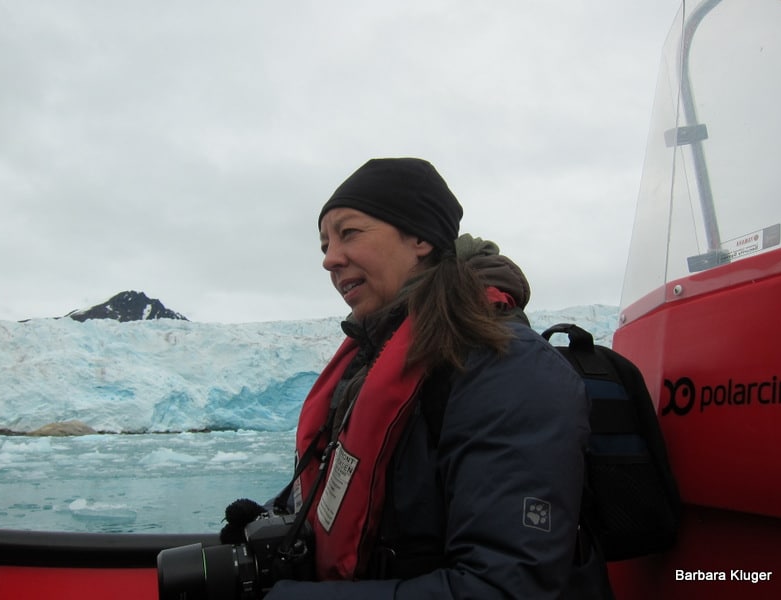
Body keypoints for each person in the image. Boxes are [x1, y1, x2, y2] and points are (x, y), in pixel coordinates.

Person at [257, 157, 612, 598]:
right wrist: (267, 517)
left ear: (420, 238)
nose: (330, 259)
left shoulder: (507, 369)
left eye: (348, 233)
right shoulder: (369, 364)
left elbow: (505, 587)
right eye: (324, 244)